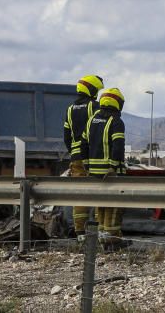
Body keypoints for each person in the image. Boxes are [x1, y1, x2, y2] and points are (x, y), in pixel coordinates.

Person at [84, 87, 126, 249]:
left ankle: (102, 240)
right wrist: (113, 166)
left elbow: (83, 144)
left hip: (94, 173)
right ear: (117, 103)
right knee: (114, 206)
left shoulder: (91, 121)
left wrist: (87, 165)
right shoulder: (116, 121)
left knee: (100, 206)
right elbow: (118, 146)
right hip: (111, 173)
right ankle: (113, 240)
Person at [63, 74, 103, 238]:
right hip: (92, 157)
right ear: (92, 89)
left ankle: (79, 231)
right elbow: (98, 131)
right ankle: (99, 230)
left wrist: (74, 152)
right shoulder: (94, 106)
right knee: (100, 192)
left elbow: (66, 135)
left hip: (76, 158)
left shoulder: (70, 109)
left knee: (80, 194)